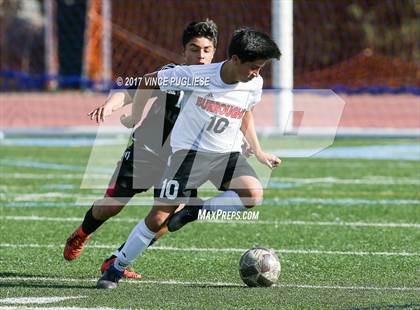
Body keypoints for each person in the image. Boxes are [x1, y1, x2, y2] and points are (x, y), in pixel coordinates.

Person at [97, 28, 281, 289]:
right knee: (158, 218)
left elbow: (246, 112)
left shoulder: (254, 83)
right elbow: (149, 80)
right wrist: (136, 115)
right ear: (235, 60)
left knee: (253, 193)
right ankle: (115, 269)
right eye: (254, 67)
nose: (257, 74)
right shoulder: (197, 76)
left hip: (225, 155)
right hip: (188, 156)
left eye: (261, 68)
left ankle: (195, 211)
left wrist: (258, 150)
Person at [63, 19, 219, 279]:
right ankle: (82, 233)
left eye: (206, 50)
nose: (200, 56)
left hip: (180, 160)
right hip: (146, 151)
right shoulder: (171, 73)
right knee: (112, 205)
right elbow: (133, 90)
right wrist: (111, 107)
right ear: (183, 52)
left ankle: (116, 260)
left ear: (214, 52)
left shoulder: (220, 83)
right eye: (194, 48)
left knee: (170, 216)